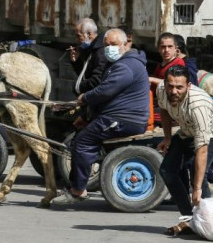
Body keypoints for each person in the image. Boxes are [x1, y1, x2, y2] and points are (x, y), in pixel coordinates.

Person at [52, 28, 150, 205]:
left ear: (124, 44)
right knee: (79, 137)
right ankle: (77, 183)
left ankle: (78, 190)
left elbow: (105, 91)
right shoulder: (122, 63)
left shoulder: (126, 65)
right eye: (106, 45)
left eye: (113, 45)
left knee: (82, 142)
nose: (109, 49)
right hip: (116, 116)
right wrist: (87, 117)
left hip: (123, 119)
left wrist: (84, 98)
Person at [157, 66, 213, 233]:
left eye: (179, 87)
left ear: (188, 86)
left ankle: (209, 223)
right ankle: (190, 219)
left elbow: (202, 149)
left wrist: (195, 189)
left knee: (197, 173)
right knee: (167, 170)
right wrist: (167, 138)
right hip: (186, 131)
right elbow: (164, 110)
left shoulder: (198, 105)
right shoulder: (162, 89)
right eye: (170, 86)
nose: (174, 91)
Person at [148, 32, 186, 130]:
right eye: (163, 47)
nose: (166, 50)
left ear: (175, 48)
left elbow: (174, 84)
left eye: (170, 46)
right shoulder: (160, 66)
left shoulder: (178, 62)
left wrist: (152, 79)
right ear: (158, 49)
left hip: (173, 106)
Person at [70, 18, 109, 96]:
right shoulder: (91, 49)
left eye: (79, 36)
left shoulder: (100, 52)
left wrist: (77, 87)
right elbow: (85, 75)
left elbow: (96, 81)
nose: (76, 40)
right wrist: (76, 61)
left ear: (89, 34)